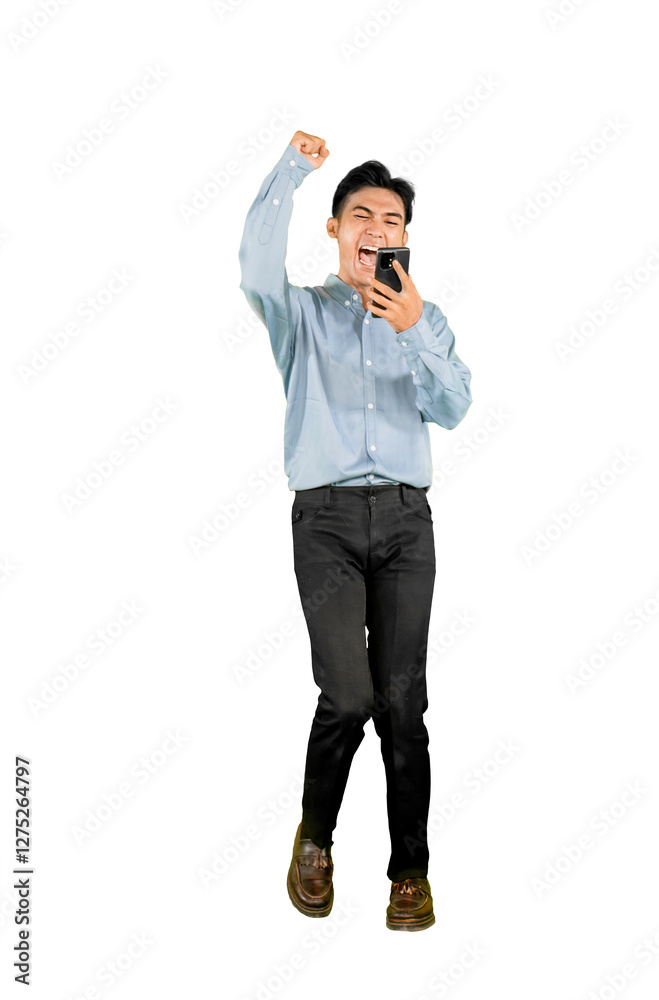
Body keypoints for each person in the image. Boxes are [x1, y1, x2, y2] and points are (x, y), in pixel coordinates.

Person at [238, 129, 472, 931]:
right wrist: (291, 170)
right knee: (347, 696)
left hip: (406, 523)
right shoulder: (300, 313)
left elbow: (454, 407)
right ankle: (315, 838)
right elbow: (254, 267)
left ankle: (410, 874)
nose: (378, 228)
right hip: (327, 523)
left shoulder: (424, 319)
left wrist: (413, 327)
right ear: (336, 229)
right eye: (362, 216)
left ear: (405, 238)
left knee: (404, 706)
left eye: (392, 219)